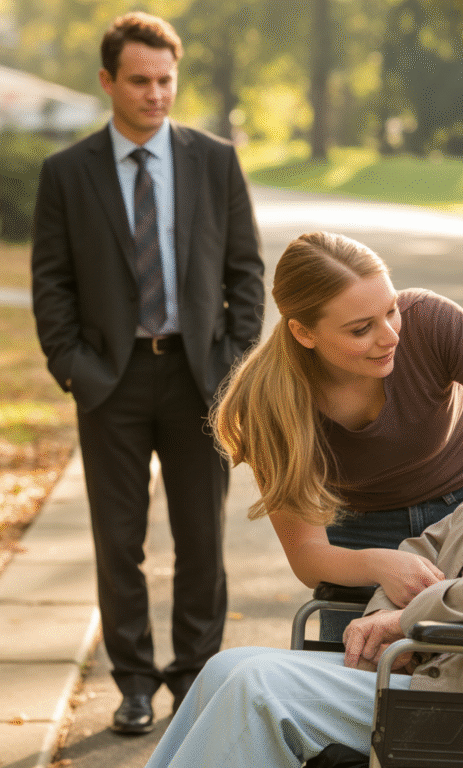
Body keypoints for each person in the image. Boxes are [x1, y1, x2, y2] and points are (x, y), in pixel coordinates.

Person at [143, 297, 463, 768]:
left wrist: (410, 620)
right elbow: (428, 545)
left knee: (255, 688)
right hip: (440, 672)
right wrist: (381, 620)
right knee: (224, 669)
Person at [31, 12, 265, 735]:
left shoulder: (213, 160)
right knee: (118, 541)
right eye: (140, 81)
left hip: (200, 380)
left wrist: (229, 368)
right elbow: (52, 284)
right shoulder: (67, 172)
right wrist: (76, 369)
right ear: (107, 81)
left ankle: (195, 679)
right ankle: (132, 682)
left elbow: (246, 273)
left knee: (201, 539)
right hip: (112, 381)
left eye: (166, 81)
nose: (156, 94)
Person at [213, 231, 463, 639]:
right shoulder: (269, 405)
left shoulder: (430, 321)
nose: (390, 336)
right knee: (358, 670)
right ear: (304, 333)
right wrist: (375, 564)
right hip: (360, 535)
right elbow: (306, 554)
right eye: (361, 330)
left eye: (391, 310)